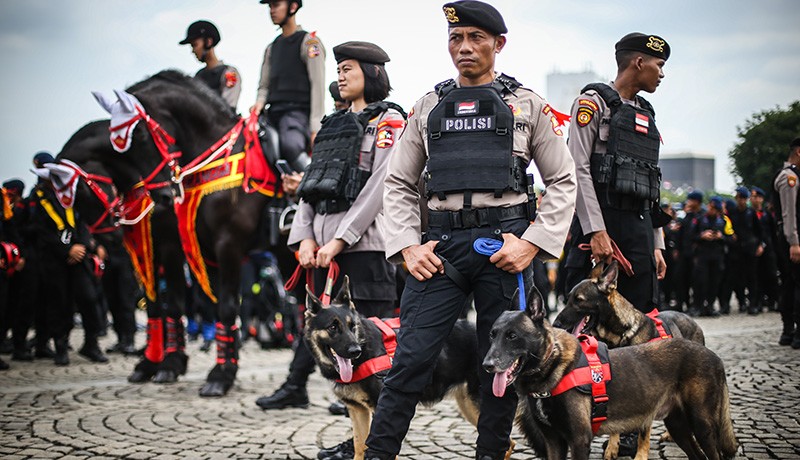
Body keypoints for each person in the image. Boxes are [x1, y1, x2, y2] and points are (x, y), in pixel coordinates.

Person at [365, 3, 576, 459]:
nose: (464, 47)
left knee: (499, 371)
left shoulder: (528, 105)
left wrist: (533, 244)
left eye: (476, 37)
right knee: (408, 363)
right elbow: (398, 183)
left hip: (507, 249)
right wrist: (406, 247)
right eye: (456, 38)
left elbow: (563, 180)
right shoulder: (427, 106)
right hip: (439, 251)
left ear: (498, 44)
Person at [255, 41, 405, 420]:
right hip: (321, 250)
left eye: (348, 68)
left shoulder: (388, 124)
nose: (340, 74)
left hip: (365, 250)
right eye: (338, 69)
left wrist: (339, 240)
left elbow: (379, 189)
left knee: (370, 340)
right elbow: (310, 188)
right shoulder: (331, 126)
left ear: (371, 74)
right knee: (320, 327)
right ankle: (301, 389)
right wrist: (304, 238)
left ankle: (370, 427)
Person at [564, 32, 671, 315]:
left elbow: (649, 181)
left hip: (639, 229)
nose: (661, 74)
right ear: (638, 62)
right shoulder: (592, 103)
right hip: (601, 223)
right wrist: (595, 231)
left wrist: (656, 244)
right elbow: (578, 168)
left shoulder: (646, 114)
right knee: (588, 317)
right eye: (658, 65)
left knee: (641, 318)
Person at [30, 159, 108, 365]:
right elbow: (41, 231)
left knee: (89, 298)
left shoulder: (73, 197)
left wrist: (81, 246)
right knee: (59, 303)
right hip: (55, 259)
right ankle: (60, 346)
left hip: (79, 257)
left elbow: (82, 224)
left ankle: (91, 343)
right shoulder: (39, 198)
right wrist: (67, 249)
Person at [252, 0, 325, 173]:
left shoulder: (309, 42)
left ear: (292, 7)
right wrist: (259, 103)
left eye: (276, 5)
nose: (271, 10)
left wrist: (316, 128)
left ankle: (315, 181)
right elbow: (263, 86)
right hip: (273, 114)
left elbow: (318, 85)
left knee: (290, 146)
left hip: (297, 114)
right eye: (270, 6)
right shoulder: (272, 48)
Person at [179, 20, 242, 111]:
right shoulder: (197, 77)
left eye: (194, 45)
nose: (193, 51)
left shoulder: (229, 73)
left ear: (208, 42)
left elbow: (228, 108)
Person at [773, 137, 800, 348]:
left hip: (792, 238)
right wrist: (794, 242)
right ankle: (792, 331)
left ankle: (790, 332)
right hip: (792, 239)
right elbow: (789, 213)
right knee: (794, 284)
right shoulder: (789, 177)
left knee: (792, 284)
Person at [721, 186, 764, 314]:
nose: (741, 201)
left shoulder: (751, 213)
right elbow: (726, 228)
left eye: (743, 198)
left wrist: (760, 245)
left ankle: (753, 304)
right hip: (735, 250)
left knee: (752, 278)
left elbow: (759, 232)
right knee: (732, 278)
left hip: (750, 249)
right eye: (739, 198)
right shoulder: (732, 213)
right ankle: (730, 304)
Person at [691, 197, 732, 317]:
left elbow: (732, 238)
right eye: (711, 207)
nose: (712, 210)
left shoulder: (723, 221)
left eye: (715, 208)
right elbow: (690, 236)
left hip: (717, 256)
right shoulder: (699, 219)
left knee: (714, 283)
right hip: (703, 255)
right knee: (700, 282)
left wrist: (721, 237)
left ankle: (710, 306)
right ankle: (698, 306)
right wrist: (702, 236)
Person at [674, 190, 704, 312]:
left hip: (697, 255)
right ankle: (681, 303)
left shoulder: (703, 217)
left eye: (690, 200)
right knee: (680, 278)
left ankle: (696, 305)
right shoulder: (688, 217)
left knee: (696, 281)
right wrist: (677, 249)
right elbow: (681, 235)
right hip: (684, 254)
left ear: (696, 202)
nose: (688, 202)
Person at [751, 186, 779, 311]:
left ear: (761, 199)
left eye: (756, 197)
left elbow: (773, 233)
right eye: (752, 196)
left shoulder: (767, 215)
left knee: (771, 275)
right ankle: (758, 302)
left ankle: (773, 300)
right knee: (756, 277)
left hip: (768, 250)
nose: (753, 199)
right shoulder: (749, 214)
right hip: (755, 250)